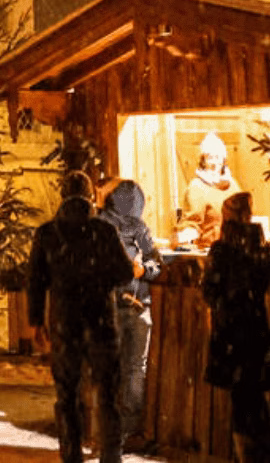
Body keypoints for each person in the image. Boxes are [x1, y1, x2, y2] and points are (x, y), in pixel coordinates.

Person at [27, 170, 135, 463]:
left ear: (62, 195)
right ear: (91, 196)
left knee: (67, 394)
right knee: (108, 392)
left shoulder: (47, 233)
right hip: (101, 321)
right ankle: (111, 455)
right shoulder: (104, 231)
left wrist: (36, 321)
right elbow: (125, 273)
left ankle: (71, 454)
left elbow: (36, 280)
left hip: (65, 322)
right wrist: (101, 279)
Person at [201, 191, 270, 463]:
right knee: (254, 397)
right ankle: (261, 453)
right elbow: (263, 281)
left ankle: (246, 455)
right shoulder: (261, 248)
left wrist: (223, 303)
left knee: (241, 400)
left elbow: (209, 290)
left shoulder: (221, 250)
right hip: (256, 328)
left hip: (230, 332)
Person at [99, 179, 162, 451]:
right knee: (133, 370)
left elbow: (154, 262)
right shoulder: (136, 227)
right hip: (131, 306)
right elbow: (156, 261)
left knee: (116, 370)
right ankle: (126, 431)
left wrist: (143, 269)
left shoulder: (99, 225)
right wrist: (144, 270)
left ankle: (112, 432)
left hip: (117, 307)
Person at [181, 131, 241, 247]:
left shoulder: (233, 185)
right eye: (210, 158)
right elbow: (192, 223)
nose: (214, 163)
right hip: (210, 249)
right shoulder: (197, 187)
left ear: (223, 160)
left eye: (217, 157)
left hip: (235, 248)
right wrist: (185, 236)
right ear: (203, 161)